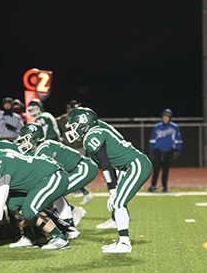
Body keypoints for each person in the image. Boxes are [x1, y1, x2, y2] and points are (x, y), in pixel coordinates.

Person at [65, 107, 152, 253]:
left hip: (135, 164)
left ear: (84, 125)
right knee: (116, 204)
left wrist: (112, 190)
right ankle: (121, 240)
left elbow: (105, 165)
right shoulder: (94, 133)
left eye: (74, 126)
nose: (72, 130)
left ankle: (124, 243)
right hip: (126, 167)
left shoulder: (93, 135)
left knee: (117, 202)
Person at [0, 140, 71, 250]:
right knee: (14, 203)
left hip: (52, 176)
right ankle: (29, 236)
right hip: (43, 179)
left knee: (29, 208)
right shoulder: (1, 155)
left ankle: (59, 237)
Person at [16, 123, 95, 228]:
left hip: (83, 167)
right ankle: (70, 216)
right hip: (75, 169)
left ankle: (69, 225)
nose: (22, 143)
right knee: (54, 189)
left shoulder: (44, 148)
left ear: (34, 138)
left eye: (25, 139)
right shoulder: (38, 149)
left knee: (56, 190)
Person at [56, 100, 94, 205]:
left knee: (75, 170)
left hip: (79, 146)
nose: (71, 110)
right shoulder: (63, 118)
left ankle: (84, 191)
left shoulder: (81, 118)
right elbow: (53, 123)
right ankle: (84, 191)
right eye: (70, 108)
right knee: (69, 170)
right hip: (68, 147)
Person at [147, 108, 183, 193]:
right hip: (158, 150)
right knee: (156, 169)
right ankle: (153, 186)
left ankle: (164, 186)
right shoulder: (157, 127)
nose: (165, 119)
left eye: (167, 117)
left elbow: (178, 139)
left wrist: (178, 150)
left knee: (165, 170)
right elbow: (152, 139)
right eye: (164, 117)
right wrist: (151, 150)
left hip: (169, 150)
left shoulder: (174, 127)